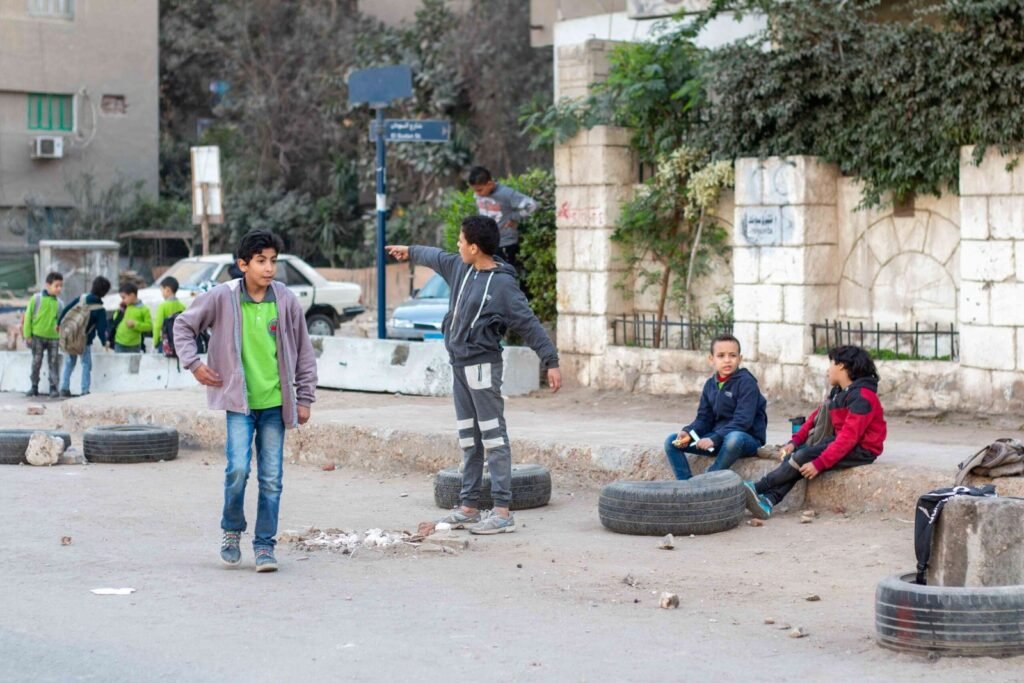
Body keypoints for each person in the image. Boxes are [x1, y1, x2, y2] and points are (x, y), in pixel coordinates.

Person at [386, 215, 561, 535]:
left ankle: (503, 512)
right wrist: (408, 251)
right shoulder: (460, 268)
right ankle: (468, 507)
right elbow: (435, 256)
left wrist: (550, 360)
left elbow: (529, 324)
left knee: (493, 438)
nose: (457, 244)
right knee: (469, 438)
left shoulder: (504, 285)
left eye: (461, 240)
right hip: (459, 367)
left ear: (475, 247)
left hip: (483, 368)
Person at [173, 229, 317, 572]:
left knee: (272, 478)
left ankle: (265, 546)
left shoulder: (285, 301)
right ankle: (231, 531)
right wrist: (194, 364)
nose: (269, 269)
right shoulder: (222, 297)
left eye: (273, 262)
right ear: (243, 265)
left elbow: (304, 353)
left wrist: (305, 396)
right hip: (239, 404)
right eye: (260, 261)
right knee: (237, 469)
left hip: (274, 405)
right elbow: (182, 325)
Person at [743, 345, 887, 519]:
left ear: (841, 365)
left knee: (803, 458)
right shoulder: (838, 393)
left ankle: (756, 488)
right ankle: (768, 501)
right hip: (839, 442)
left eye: (831, 364)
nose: (828, 370)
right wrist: (795, 442)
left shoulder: (863, 397)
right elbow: (814, 418)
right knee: (798, 455)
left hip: (862, 450)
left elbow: (849, 438)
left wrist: (819, 463)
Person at [663, 334, 767, 480]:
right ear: (711, 359)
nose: (727, 360)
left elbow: (743, 421)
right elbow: (704, 418)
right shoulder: (710, 385)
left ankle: (708, 479)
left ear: (740, 358)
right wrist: (689, 431)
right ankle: (685, 485)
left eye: (732, 355)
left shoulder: (747, 383)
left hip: (745, 440)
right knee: (672, 441)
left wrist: (715, 438)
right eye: (721, 355)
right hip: (716, 440)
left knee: (733, 438)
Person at [468, 166, 537, 272]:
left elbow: (532, 205)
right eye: (475, 190)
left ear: (490, 184)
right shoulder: (478, 195)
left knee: (504, 274)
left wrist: (514, 217)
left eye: (480, 190)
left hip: (505, 244)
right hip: (485, 244)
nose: (477, 194)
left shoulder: (506, 194)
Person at [58, 276, 111, 397]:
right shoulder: (100, 309)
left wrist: (58, 324)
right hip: (85, 341)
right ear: (104, 292)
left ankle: (64, 388)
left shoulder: (81, 298)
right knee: (86, 364)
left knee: (69, 363)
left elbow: (66, 309)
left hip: (70, 336)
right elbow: (101, 330)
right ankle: (84, 390)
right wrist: (105, 343)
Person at [23, 271, 64, 398]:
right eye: (56, 285)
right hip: (37, 336)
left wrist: (61, 337)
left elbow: (61, 322)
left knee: (53, 363)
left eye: (61, 286)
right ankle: (34, 386)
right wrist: (27, 335)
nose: (59, 288)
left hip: (54, 338)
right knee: (36, 362)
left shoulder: (60, 304)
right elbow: (28, 317)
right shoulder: (36, 299)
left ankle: (53, 388)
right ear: (48, 285)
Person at [110, 283, 152, 353]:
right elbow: (115, 320)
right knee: (120, 364)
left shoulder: (144, 309)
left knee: (133, 364)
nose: (122, 300)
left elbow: (149, 326)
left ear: (132, 295)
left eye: (124, 297)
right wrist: (119, 311)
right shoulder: (124, 306)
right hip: (119, 342)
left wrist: (135, 324)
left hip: (134, 345)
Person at [153, 276, 187, 352]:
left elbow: (158, 325)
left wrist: (155, 341)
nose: (161, 293)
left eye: (162, 290)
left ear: (168, 290)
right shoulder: (182, 306)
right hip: (179, 342)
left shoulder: (163, 306)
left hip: (165, 343)